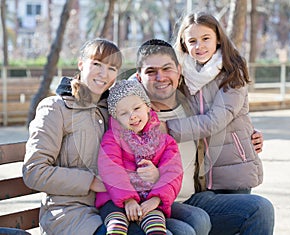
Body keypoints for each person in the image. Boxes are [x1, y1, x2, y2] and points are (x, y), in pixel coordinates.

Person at [134, 38, 274, 235]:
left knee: (260, 208)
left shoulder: (190, 106)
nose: (161, 77)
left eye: (167, 69)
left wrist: (250, 136)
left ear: (179, 70)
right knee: (192, 226)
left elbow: (219, 118)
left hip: (194, 198)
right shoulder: (132, 114)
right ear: (139, 77)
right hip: (152, 204)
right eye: (151, 71)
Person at [22, 38, 123, 235]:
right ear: (81, 64)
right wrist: (91, 181)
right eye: (97, 64)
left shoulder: (113, 111)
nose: (104, 74)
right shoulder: (56, 108)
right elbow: (34, 171)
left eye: (112, 68)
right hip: (68, 212)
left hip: (110, 207)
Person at [162, 12, 263, 194]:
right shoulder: (181, 75)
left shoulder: (232, 72)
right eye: (192, 41)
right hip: (199, 175)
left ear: (217, 39)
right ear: (184, 44)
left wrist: (166, 128)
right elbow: (150, 84)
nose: (199, 46)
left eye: (205, 38)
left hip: (233, 171)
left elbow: (215, 121)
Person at [95, 79, 183, 235]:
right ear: (116, 118)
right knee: (116, 227)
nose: (132, 116)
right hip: (116, 200)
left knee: (156, 228)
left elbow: (173, 172)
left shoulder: (165, 141)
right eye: (123, 113)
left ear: (147, 107)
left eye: (136, 108)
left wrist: (156, 200)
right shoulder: (112, 139)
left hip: (150, 200)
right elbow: (111, 169)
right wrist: (128, 199)